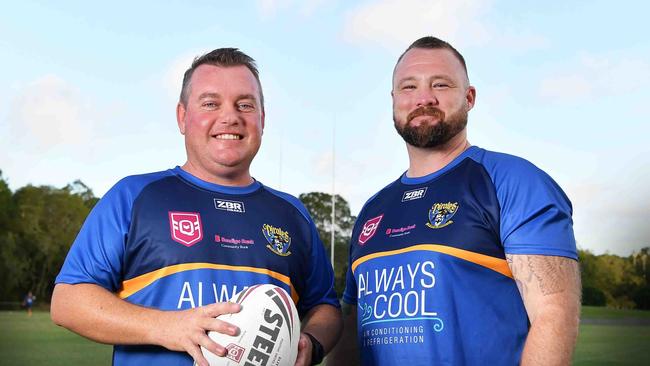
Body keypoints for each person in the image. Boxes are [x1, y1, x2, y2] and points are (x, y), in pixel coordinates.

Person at [51, 48, 342, 366]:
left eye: (245, 104)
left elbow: (325, 308)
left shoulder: (292, 214)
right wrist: (165, 327)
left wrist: (311, 343)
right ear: (182, 116)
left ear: (262, 118)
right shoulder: (135, 196)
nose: (230, 116)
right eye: (211, 103)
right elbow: (68, 302)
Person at [329, 37, 581, 365]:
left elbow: (555, 317)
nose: (423, 98)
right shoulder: (372, 211)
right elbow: (351, 330)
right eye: (408, 87)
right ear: (394, 100)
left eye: (441, 84)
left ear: (469, 97)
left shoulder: (513, 181)